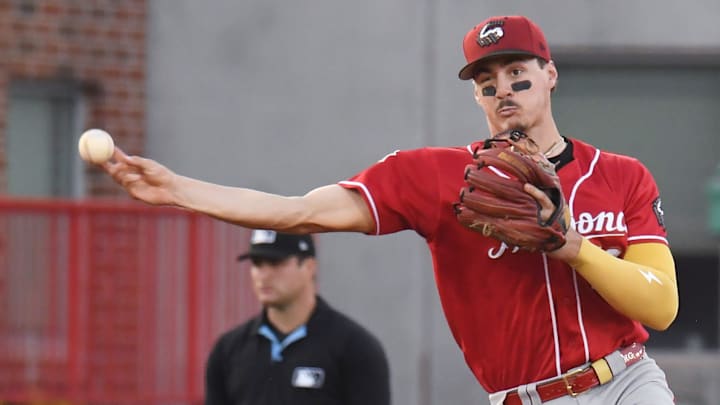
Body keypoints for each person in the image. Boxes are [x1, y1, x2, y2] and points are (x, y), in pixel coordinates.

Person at [105, 15, 678, 405]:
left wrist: (572, 248)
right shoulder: (434, 177)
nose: (503, 89)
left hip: (625, 384)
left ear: (550, 76)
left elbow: (661, 306)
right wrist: (178, 189)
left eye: (516, 73)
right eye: (486, 81)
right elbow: (297, 213)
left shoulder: (620, 175)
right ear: (475, 96)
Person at [204, 229, 391, 405]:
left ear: (309, 266)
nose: (264, 275)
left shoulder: (355, 348)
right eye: (257, 263)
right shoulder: (228, 350)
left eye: (276, 263)